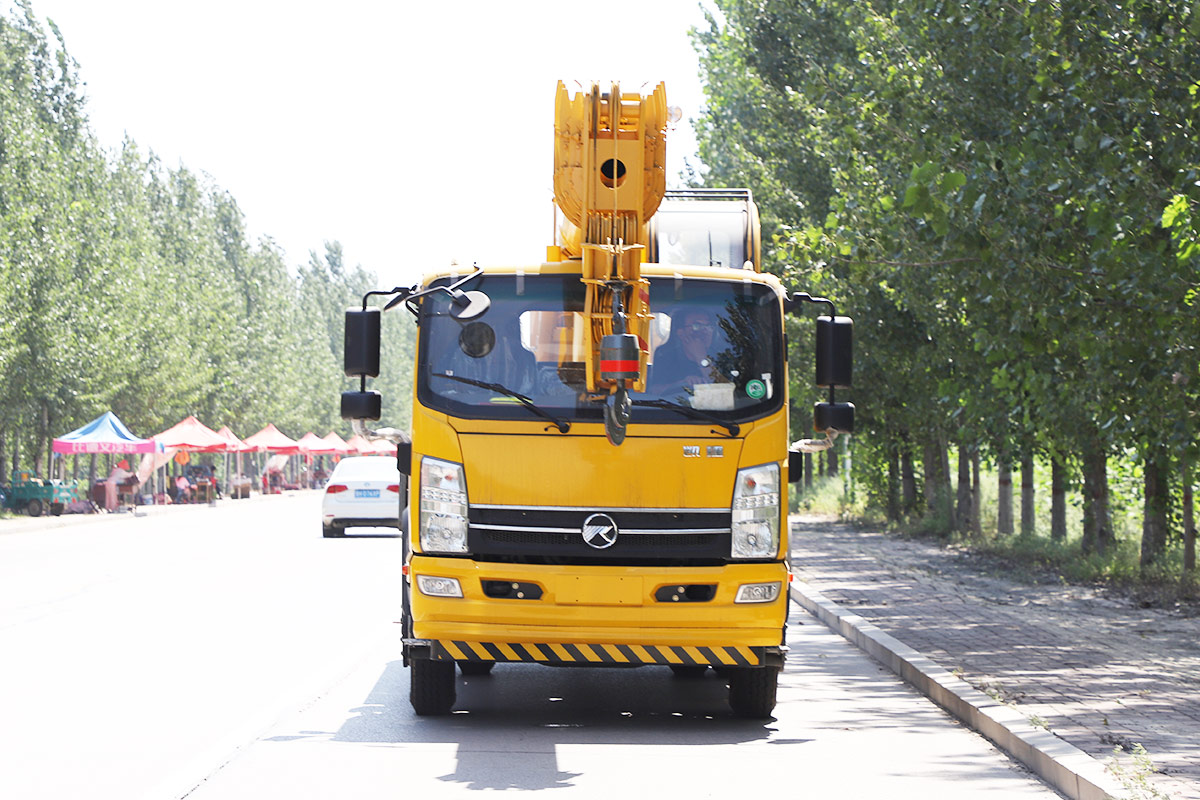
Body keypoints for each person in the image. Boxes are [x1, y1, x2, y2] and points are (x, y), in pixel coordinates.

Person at [650, 309, 728, 394]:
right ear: (680, 333)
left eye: (709, 326)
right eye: (697, 326)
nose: (706, 331)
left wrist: (701, 357)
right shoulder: (666, 358)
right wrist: (683, 383)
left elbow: (727, 389)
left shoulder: (722, 357)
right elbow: (653, 391)